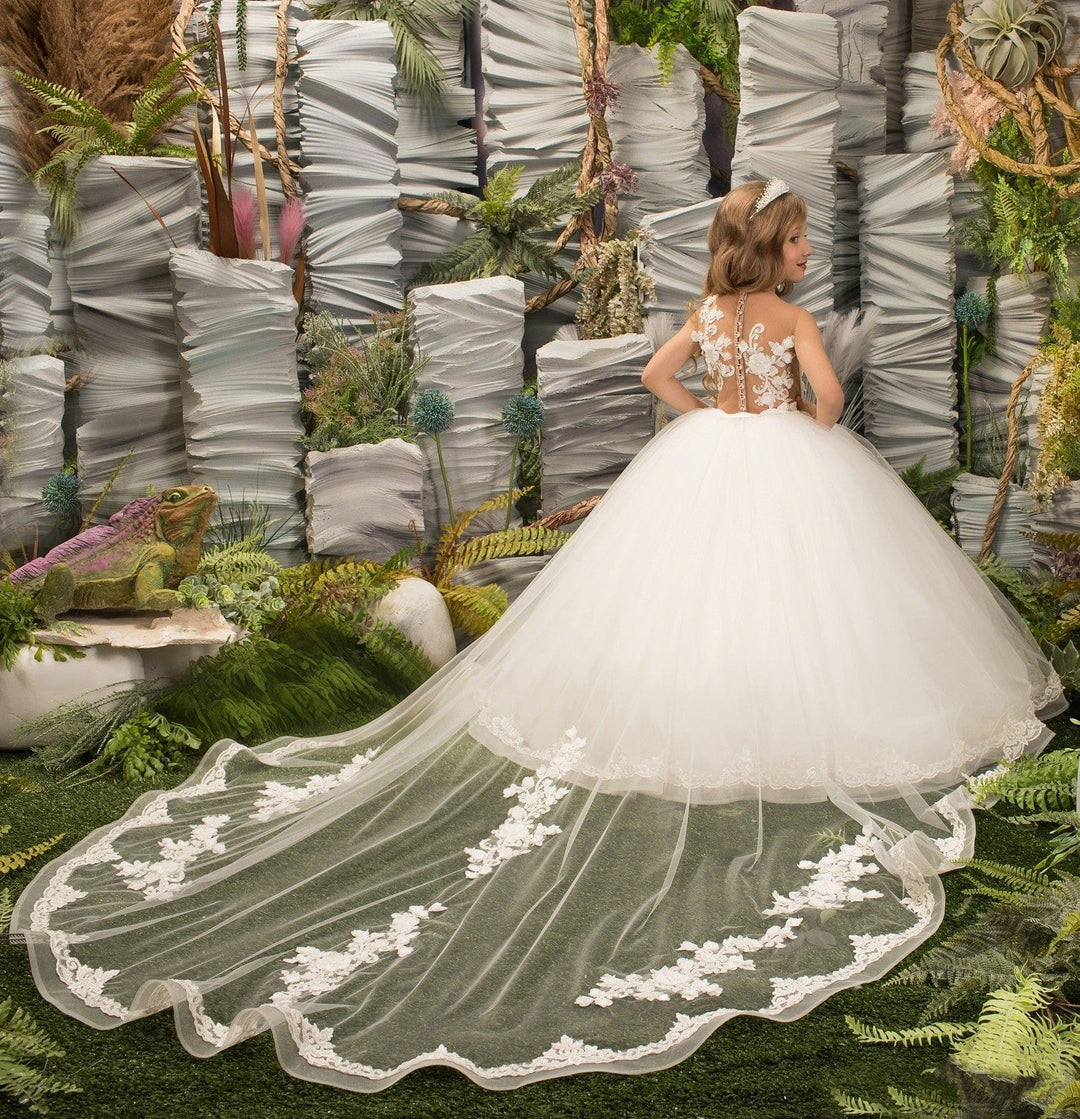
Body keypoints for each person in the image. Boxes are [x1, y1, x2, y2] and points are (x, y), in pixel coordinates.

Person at [12, 180, 1064, 1095]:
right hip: (787, 459)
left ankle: (693, 711)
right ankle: (769, 716)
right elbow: (831, 409)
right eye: (796, 241)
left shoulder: (711, 307)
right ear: (776, 249)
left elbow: (661, 378)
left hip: (706, 457)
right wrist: (794, 411)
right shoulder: (788, 320)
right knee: (802, 600)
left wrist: (707, 416)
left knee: (690, 599)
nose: (803, 255)